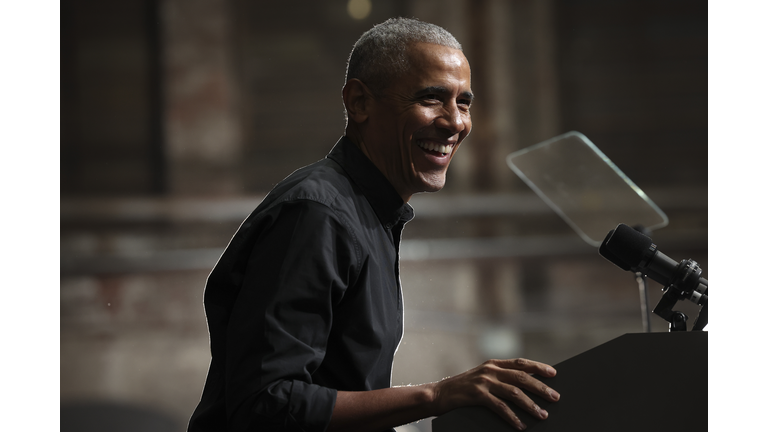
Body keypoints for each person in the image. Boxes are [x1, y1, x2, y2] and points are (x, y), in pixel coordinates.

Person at [187, 17, 560, 432]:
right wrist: (436, 396)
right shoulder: (317, 214)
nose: (455, 122)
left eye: (464, 102)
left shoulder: (367, 211)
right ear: (359, 103)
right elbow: (267, 407)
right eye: (432, 98)